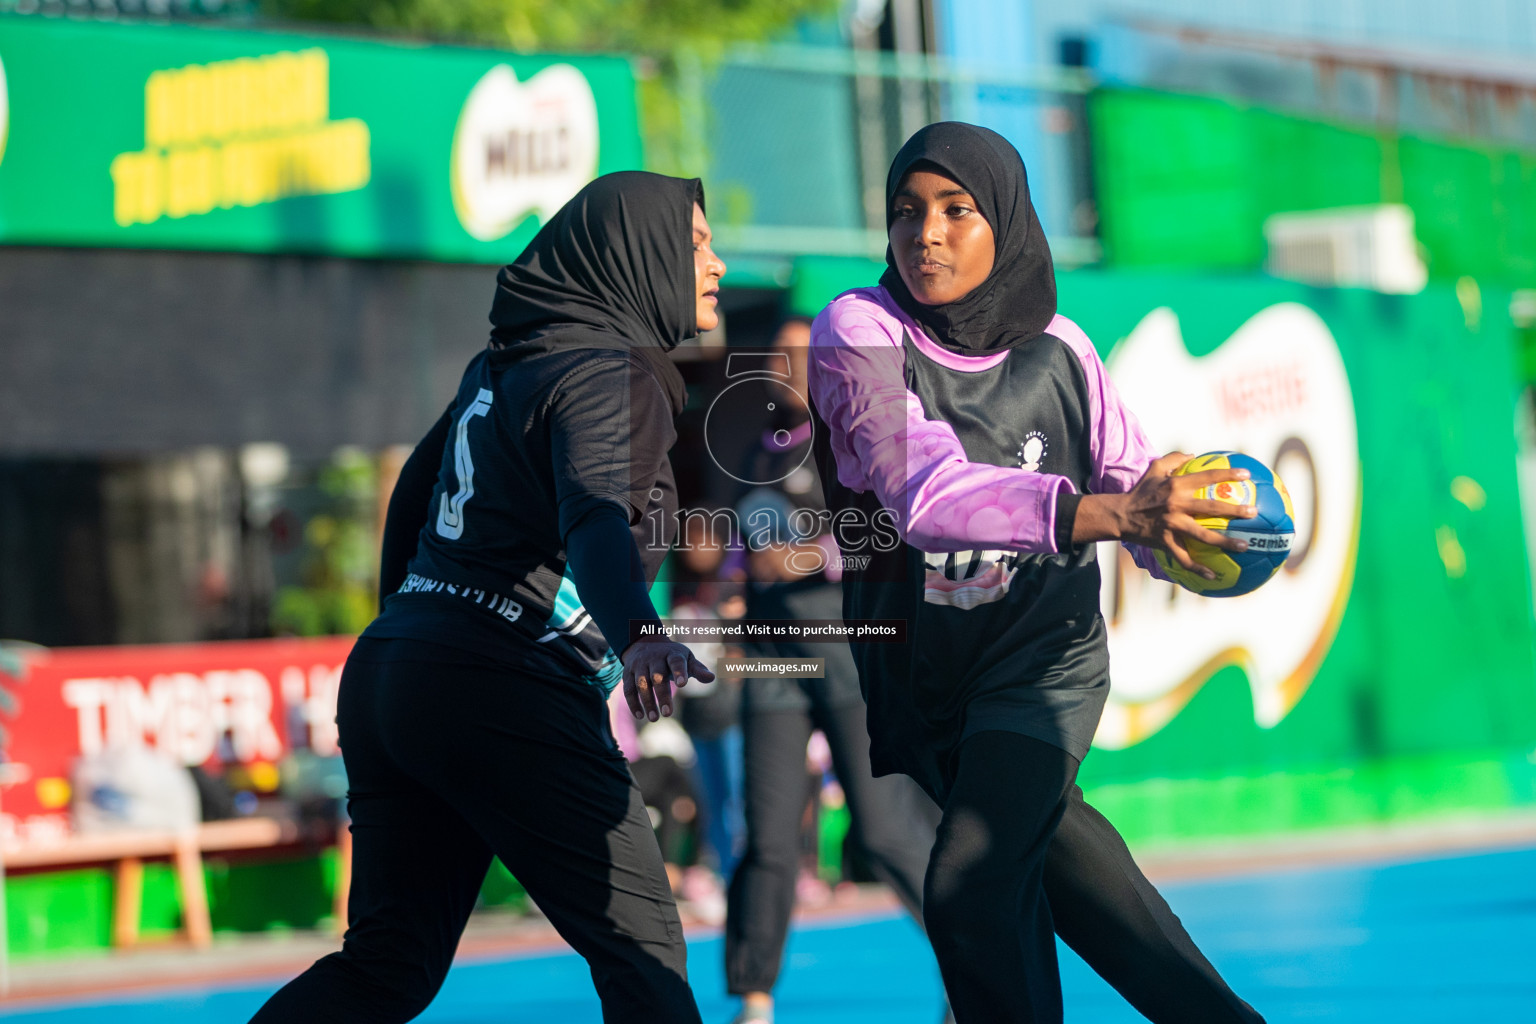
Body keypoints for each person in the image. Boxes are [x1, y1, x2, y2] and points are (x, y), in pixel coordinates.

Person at [807, 122, 1267, 1024]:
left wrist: (1188, 527)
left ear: (1006, 221)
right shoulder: (856, 329)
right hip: (924, 672)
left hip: (1043, 659)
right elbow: (921, 492)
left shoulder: (1064, 347)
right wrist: (1106, 513)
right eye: (906, 211)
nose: (925, 232)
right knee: (1073, 884)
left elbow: (1133, 492)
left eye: (955, 209)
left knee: (972, 887)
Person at [249, 171, 725, 1024]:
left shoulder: (508, 363)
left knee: (389, 963)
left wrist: (415, 629)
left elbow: (410, 500)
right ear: (639, 256)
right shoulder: (609, 370)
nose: (716, 265)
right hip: (499, 682)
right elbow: (594, 520)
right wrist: (640, 632)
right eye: (695, 246)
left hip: (400, 668)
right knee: (643, 952)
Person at [723, 319, 940, 1024]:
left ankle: (975, 960)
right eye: (776, 356)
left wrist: (814, 552)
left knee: (882, 831)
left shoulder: (856, 442)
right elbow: (745, 547)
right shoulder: (755, 451)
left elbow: (892, 534)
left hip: (846, 659)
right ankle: (754, 998)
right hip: (774, 663)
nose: (782, 368)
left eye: (796, 355)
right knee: (770, 836)